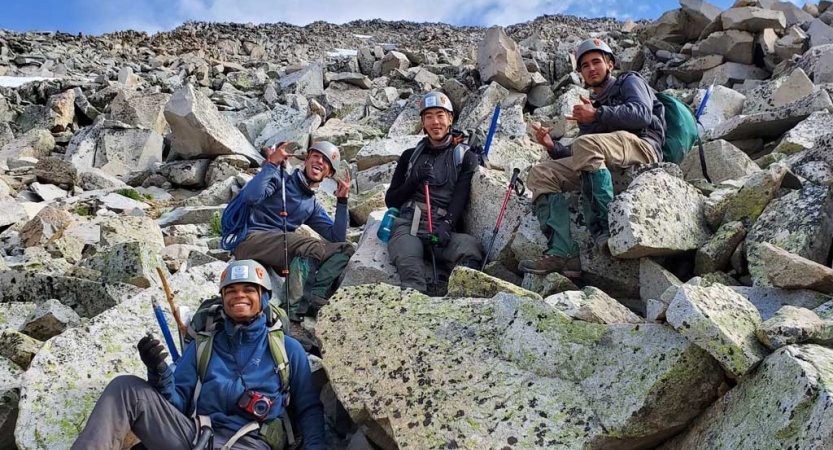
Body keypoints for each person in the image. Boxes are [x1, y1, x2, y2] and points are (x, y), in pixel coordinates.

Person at [72, 259, 325, 450]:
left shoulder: (287, 349)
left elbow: (308, 409)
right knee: (126, 388)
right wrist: (159, 373)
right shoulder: (203, 347)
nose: (239, 295)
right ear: (223, 298)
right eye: (231, 290)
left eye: (249, 289)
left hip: (251, 444)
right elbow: (178, 404)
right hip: (195, 437)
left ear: (265, 298)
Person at [518, 38, 666, 277]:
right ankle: (562, 254)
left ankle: (607, 229)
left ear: (610, 64)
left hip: (643, 147)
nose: (591, 69)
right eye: (584, 65)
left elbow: (641, 115)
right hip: (608, 153)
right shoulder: (592, 105)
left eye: (596, 62)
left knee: (587, 143)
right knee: (541, 173)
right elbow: (582, 152)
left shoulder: (630, 81)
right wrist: (553, 147)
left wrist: (597, 114)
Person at [231, 140, 354, 330]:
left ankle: (314, 297)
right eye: (316, 156)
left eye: (326, 161)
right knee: (309, 244)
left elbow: (337, 237)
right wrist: (271, 165)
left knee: (345, 249)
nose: (320, 161)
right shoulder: (281, 179)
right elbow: (250, 197)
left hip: (279, 247)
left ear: (328, 174)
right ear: (306, 160)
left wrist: (342, 201)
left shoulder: (310, 204)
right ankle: (293, 316)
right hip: (250, 240)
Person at [384, 91, 484, 294]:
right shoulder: (409, 156)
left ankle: (460, 298)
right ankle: (414, 306)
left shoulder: (465, 157)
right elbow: (391, 200)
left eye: (440, 115)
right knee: (410, 266)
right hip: (408, 225)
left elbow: (461, 197)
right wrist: (413, 181)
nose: (435, 122)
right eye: (428, 116)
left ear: (450, 119)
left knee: (471, 249)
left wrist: (447, 225)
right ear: (422, 122)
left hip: (441, 227)